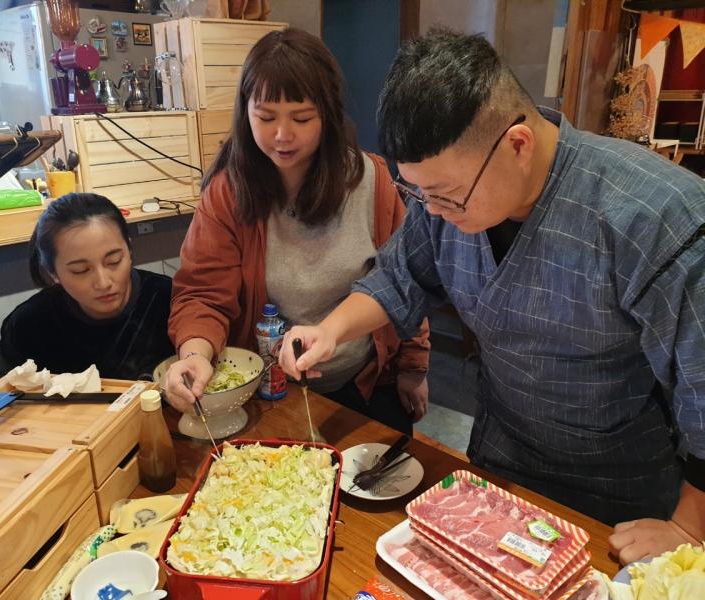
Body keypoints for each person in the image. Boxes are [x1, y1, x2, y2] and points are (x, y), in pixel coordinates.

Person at [279, 28, 705, 562]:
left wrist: (690, 529)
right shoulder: (444, 202)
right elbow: (397, 277)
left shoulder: (654, 215)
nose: (431, 212)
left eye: (447, 196)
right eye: (418, 193)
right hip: (499, 468)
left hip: (620, 499)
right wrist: (329, 330)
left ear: (517, 145)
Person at [163, 28, 430, 435]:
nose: (282, 135)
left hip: (366, 379)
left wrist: (413, 367)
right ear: (245, 112)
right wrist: (196, 354)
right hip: (271, 390)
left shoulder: (370, 181)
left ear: (328, 113)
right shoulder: (229, 192)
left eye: (301, 118)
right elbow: (202, 293)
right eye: (265, 117)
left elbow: (405, 279)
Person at [0, 193, 174, 380]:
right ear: (53, 273)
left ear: (129, 251)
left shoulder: (168, 299)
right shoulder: (28, 326)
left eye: (113, 261)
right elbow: (12, 400)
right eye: (80, 270)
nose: (103, 283)